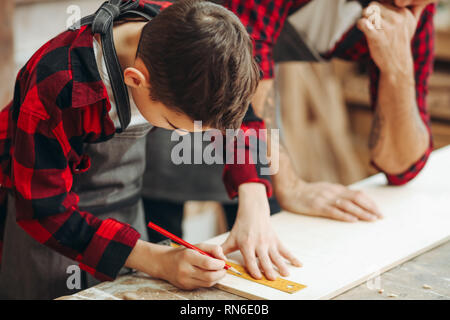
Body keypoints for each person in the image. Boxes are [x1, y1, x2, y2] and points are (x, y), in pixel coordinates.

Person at [0, 0, 300, 299]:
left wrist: (254, 200)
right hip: (50, 231)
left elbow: (241, 117)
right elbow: (44, 210)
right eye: (175, 125)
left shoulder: (181, 29)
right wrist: (156, 260)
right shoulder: (58, 85)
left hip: (126, 212)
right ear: (134, 79)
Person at [222, 0, 436, 222]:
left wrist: (397, 69)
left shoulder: (413, 10)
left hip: (245, 104)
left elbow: (401, 167)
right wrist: (289, 185)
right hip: (193, 94)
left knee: (266, 220)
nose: (401, 2)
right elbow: (239, 55)